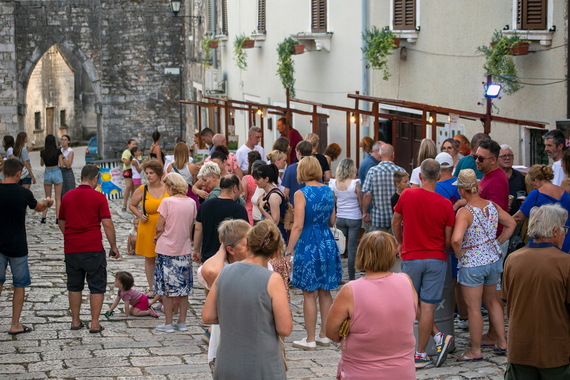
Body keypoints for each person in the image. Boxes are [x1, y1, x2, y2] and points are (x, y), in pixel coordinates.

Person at [202, 220, 292, 380]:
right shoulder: (272, 279)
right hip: (261, 363)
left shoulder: (224, 272)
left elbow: (207, 316)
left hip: (227, 362)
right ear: (274, 253)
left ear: (249, 243)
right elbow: (284, 328)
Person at [326, 231, 418, 379]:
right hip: (402, 371)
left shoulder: (351, 290)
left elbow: (331, 333)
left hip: (362, 371)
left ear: (361, 253)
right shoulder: (406, 281)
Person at [392, 159, 455, 368]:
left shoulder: (408, 195)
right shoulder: (446, 204)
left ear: (420, 176)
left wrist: (400, 241)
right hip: (436, 258)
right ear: (438, 177)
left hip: (411, 256)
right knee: (427, 306)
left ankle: (433, 341)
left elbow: (395, 220)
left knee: (411, 302)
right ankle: (422, 351)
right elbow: (448, 239)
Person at [451, 169, 515, 361]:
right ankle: (502, 342)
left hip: (472, 264)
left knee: (473, 309)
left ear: (462, 189)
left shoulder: (465, 212)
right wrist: (497, 242)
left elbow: (456, 239)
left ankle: (475, 350)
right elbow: (511, 223)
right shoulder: (492, 205)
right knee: (493, 302)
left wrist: (459, 253)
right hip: (492, 260)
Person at [503, 204, 570, 380]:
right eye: (565, 229)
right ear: (556, 231)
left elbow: (507, 299)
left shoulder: (512, 259)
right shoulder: (566, 263)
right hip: (556, 353)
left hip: (520, 349)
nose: (565, 234)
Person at [286, 156, 342, 350]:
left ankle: (309, 339)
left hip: (308, 242)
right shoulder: (328, 191)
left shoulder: (301, 193)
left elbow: (298, 225)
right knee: (325, 291)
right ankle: (324, 335)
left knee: (309, 293)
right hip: (326, 241)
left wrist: (288, 250)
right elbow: (332, 221)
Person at [58, 164, 120, 333]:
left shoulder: (67, 197)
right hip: (92, 248)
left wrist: (70, 236)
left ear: (80, 178)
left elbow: (61, 221)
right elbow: (107, 224)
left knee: (74, 285)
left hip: (72, 249)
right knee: (97, 285)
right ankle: (94, 323)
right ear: (95, 179)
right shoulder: (99, 198)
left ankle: (76, 321)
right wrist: (113, 246)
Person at [0, 159, 53, 335]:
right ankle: (15, 324)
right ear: (17, 174)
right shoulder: (23, 193)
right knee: (19, 285)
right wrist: (48, 203)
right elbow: (38, 208)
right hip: (17, 246)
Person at [197, 219, 252, 371]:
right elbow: (210, 272)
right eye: (245, 243)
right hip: (226, 342)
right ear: (230, 249)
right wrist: (222, 248)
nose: (251, 246)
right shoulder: (221, 266)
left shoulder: (259, 263)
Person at [153, 172, 197, 333]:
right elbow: (191, 223)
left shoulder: (167, 202)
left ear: (171, 186)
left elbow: (160, 226)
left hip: (166, 248)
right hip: (183, 249)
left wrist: (157, 236)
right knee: (183, 288)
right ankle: (182, 321)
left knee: (166, 288)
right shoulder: (191, 202)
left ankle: (168, 322)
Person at [129, 159, 169, 296]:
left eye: (151, 173)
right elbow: (132, 205)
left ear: (158, 174)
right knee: (150, 257)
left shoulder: (167, 188)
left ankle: (165, 286)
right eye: (146, 173)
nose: (148, 176)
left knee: (165, 257)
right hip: (148, 226)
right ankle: (152, 287)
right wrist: (140, 215)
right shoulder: (143, 189)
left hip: (165, 227)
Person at [513, 165, 570, 252]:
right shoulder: (565, 193)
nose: (532, 187)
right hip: (563, 239)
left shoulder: (536, 194)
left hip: (543, 241)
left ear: (535, 180)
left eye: (532, 185)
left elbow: (518, 218)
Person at [193, 174, 249, 263]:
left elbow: (198, 229)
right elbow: (244, 235)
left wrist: (196, 250)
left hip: (208, 258)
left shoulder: (205, 205)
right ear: (235, 188)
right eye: (240, 187)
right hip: (229, 259)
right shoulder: (238, 209)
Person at [329, 159, 363, 280]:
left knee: (338, 249)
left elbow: (334, 202)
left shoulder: (333, 183)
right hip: (354, 217)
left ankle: (337, 276)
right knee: (352, 249)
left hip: (340, 217)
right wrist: (364, 212)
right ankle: (352, 278)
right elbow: (360, 201)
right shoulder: (355, 183)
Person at [362, 144, 405, 232]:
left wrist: (364, 211)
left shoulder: (372, 171)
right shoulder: (401, 171)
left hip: (378, 218)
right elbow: (408, 192)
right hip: (396, 218)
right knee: (394, 244)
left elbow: (367, 195)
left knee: (378, 245)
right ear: (393, 155)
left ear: (380, 155)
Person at [255, 164, 288, 241]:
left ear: (266, 179)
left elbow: (275, 222)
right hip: (269, 234)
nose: (255, 182)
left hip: (276, 236)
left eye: (258, 179)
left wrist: (261, 209)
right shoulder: (267, 193)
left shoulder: (274, 196)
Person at [39, 134, 63, 224]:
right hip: (56, 171)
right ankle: (57, 218)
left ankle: (44, 217)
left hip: (47, 172)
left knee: (47, 196)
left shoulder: (43, 152)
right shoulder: (58, 151)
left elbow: (41, 164)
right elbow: (61, 164)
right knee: (57, 198)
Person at [282, 140, 313, 207]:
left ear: (298, 152)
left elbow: (286, 192)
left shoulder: (291, 168)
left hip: (295, 205)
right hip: (312, 205)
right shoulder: (315, 168)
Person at [498, 144, 526, 215]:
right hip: (498, 219)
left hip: (517, 219)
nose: (507, 158)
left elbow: (526, 194)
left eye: (510, 155)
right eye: (503, 156)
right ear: (496, 159)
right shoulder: (493, 177)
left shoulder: (520, 177)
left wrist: (526, 200)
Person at [241, 151, 263, 224]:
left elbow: (244, 197)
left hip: (249, 210)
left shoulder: (247, 178)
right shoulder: (264, 179)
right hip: (261, 210)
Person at [121, 139, 137, 212]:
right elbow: (126, 163)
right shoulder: (126, 152)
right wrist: (131, 157)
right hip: (128, 170)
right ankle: (124, 204)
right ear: (129, 145)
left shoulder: (136, 152)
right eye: (133, 144)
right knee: (128, 186)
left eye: (135, 144)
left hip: (135, 171)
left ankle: (132, 204)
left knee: (134, 188)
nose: (134, 145)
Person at [59, 134, 76, 199]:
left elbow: (68, 165)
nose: (63, 141)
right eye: (62, 140)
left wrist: (62, 156)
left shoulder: (70, 151)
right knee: (62, 191)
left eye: (65, 140)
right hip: (60, 171)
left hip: (67, 171)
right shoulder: (60, 150)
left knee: (69, 190)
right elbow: (60, 164)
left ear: (68, 142)